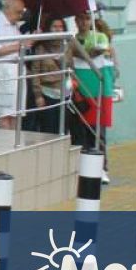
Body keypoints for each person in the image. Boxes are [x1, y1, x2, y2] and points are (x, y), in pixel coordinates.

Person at [72, 11, 114, 182]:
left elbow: (95, 53)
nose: (83, 22)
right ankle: (85, 167)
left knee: (98, 131)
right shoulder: (73, 38)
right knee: (81, 131)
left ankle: (102, 167)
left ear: (91, 20)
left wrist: (79, 51)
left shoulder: (100, 37)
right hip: (80, 89)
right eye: (80, 18)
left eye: (87, 18)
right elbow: (72, 54)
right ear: (75, 20)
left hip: (98, 90)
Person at [0, 0, 29, 130]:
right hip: (4, 69)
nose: (20, 16)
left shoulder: (15, 26)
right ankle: (5, 140)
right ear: (8, 9)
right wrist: (20, 45)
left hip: (17, 69)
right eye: (18, 12)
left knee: (17, 112)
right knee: (5, 113)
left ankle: (15, 140)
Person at [27, 17, 69, 134]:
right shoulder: (41, 48)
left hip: (65, 93)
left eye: (61, 27)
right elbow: (35, 72)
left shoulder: (68, 46)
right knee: (48, 129)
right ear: (48, 29)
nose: (58, 29)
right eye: (54, 27)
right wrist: (38, 95)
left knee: (63, 128)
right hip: (47, 93)